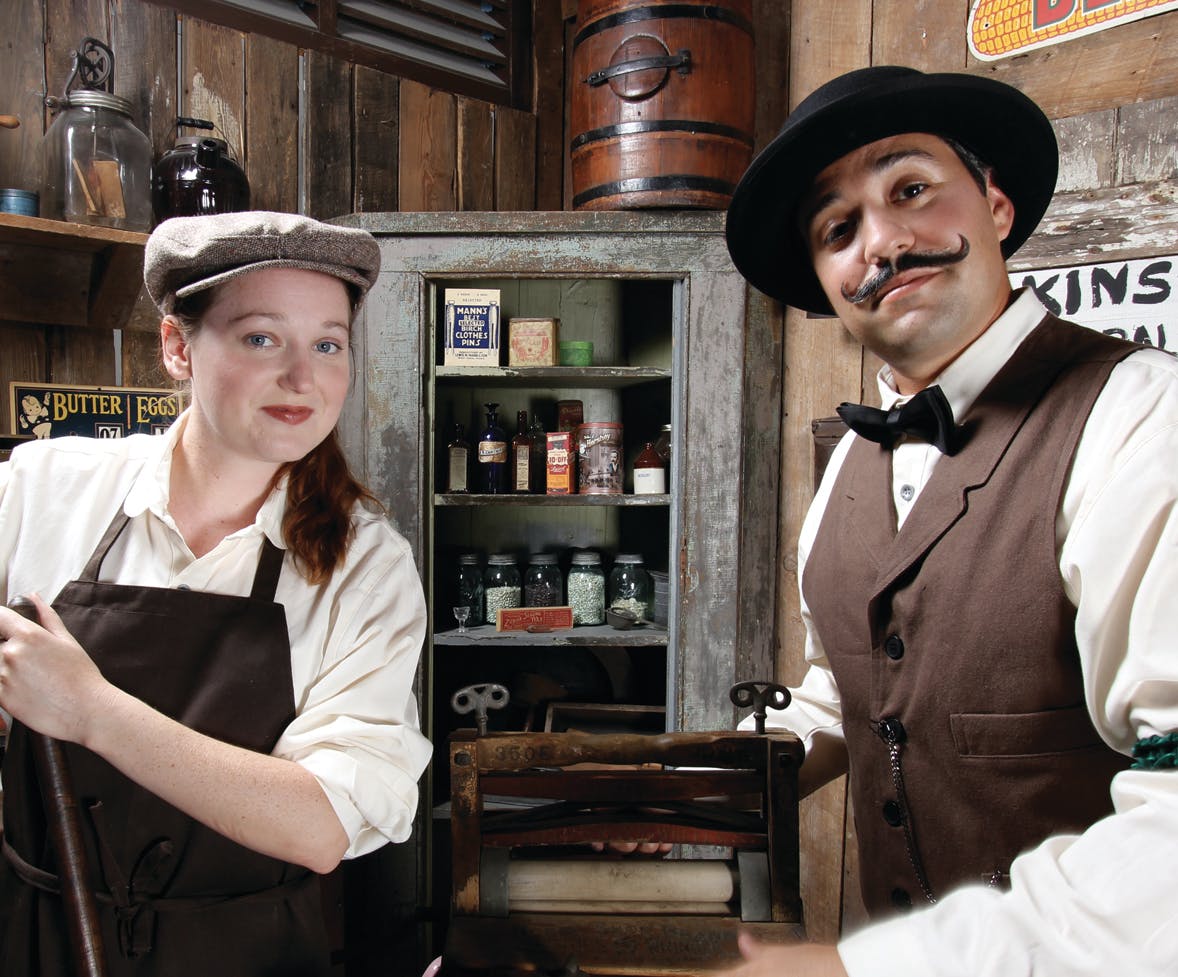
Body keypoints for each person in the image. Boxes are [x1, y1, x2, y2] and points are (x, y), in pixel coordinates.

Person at [718, 66, 1178, 976]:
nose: (883, 242)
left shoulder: (1142, 420)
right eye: (838, 230)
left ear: (997, 206)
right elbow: (847, 687)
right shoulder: (848, 468)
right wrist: (696, 792)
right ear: (826, 282)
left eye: (911, 190)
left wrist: (870, 969)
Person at [0, 211, 432, 976]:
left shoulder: (366, 565)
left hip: (247, 953)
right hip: (39, 942)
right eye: (262, 338)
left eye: (328, 344)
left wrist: (91, 710)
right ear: (177, 346)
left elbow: (323, 823)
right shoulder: (40, 490)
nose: (302, 379)